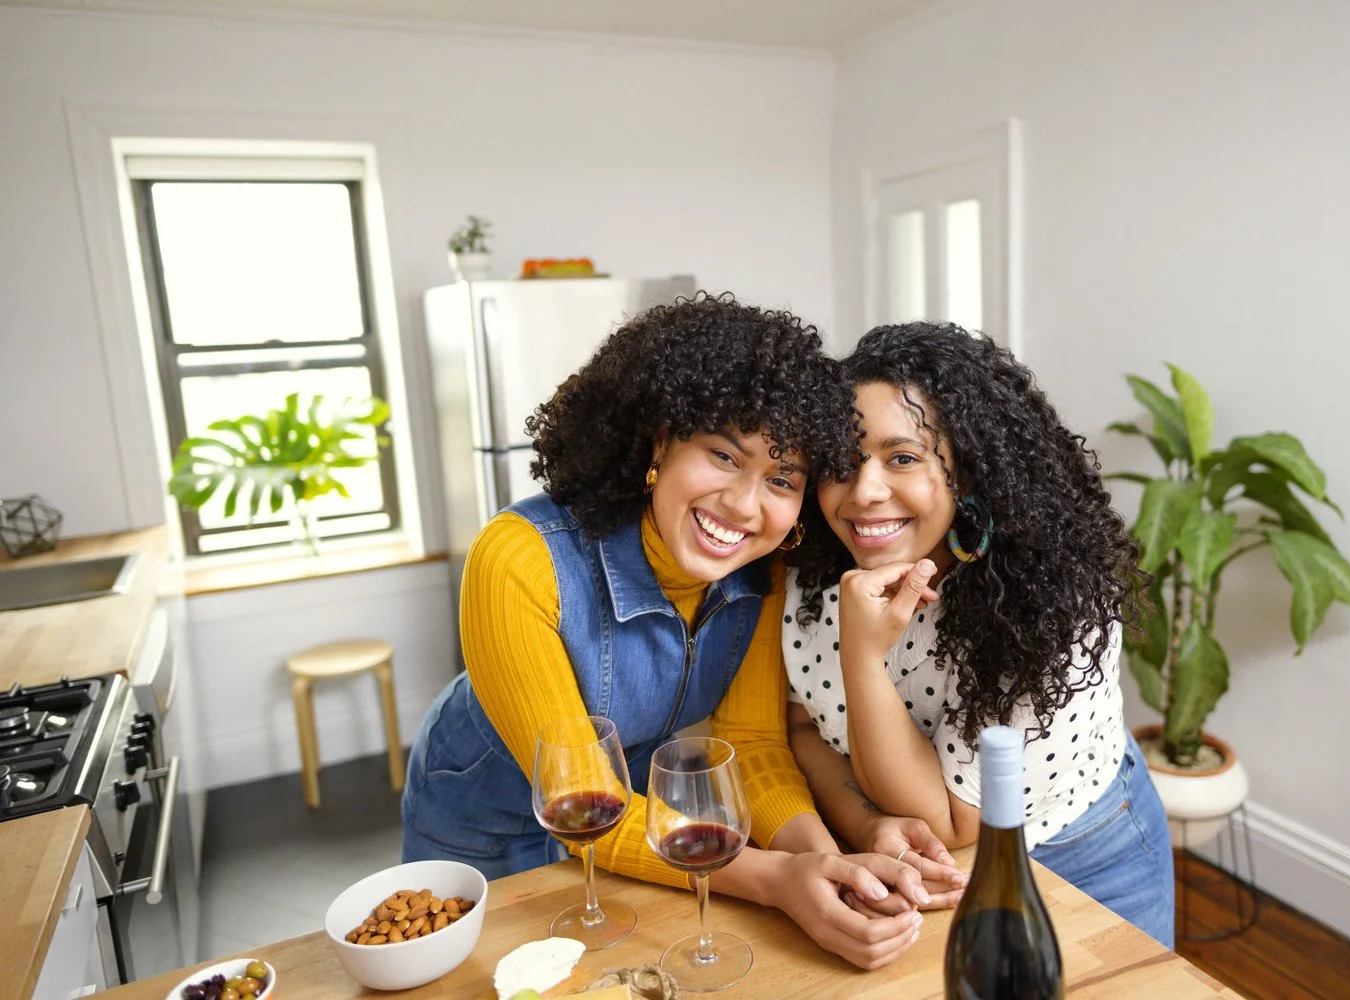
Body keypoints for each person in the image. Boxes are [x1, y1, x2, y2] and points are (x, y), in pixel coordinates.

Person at [402, 293, 956, 970]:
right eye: (725, 456)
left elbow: (752, 744)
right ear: (661, 441)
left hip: (640, 821)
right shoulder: (519, 560)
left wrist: (831, 866)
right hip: (485, 818)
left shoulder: (765, 571)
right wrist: (777, 881)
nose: (745, 505)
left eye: (782, 478)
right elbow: (583, 804)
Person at [782, 321, 1176, 947]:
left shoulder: (1050, 603)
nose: (864, 492)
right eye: (841, 461)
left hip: (1083, 859)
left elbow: (953, 821)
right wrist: (864, 825)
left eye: (903, 457)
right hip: (919, 872)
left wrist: (861, 653)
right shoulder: (813, 564)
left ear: (965, 469)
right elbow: (802, 728)